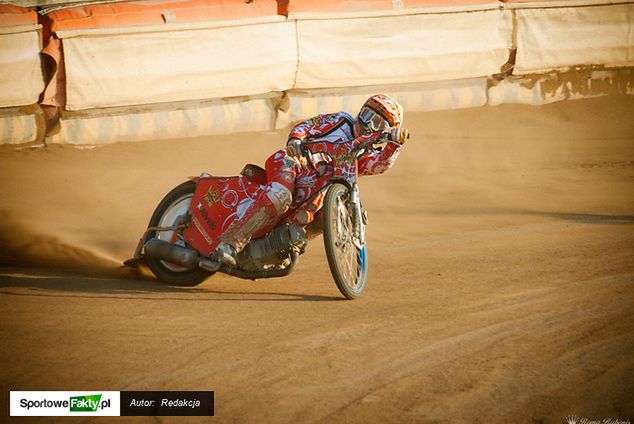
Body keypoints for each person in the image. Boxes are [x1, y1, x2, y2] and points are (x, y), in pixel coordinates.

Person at [214, 94, 408, 266]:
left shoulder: (366, 151)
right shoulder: (341, 120)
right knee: (280, 196)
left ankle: (280, 248)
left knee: (326, 218)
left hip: (319, 188)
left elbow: (380, 165)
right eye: (367, 115)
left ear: (385, 132)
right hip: (293, 162)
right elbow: (309, 125)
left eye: (378, 124)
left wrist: (395, 144)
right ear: (360, 111)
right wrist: (296, 140)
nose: (369, 124)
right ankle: (230, 243)